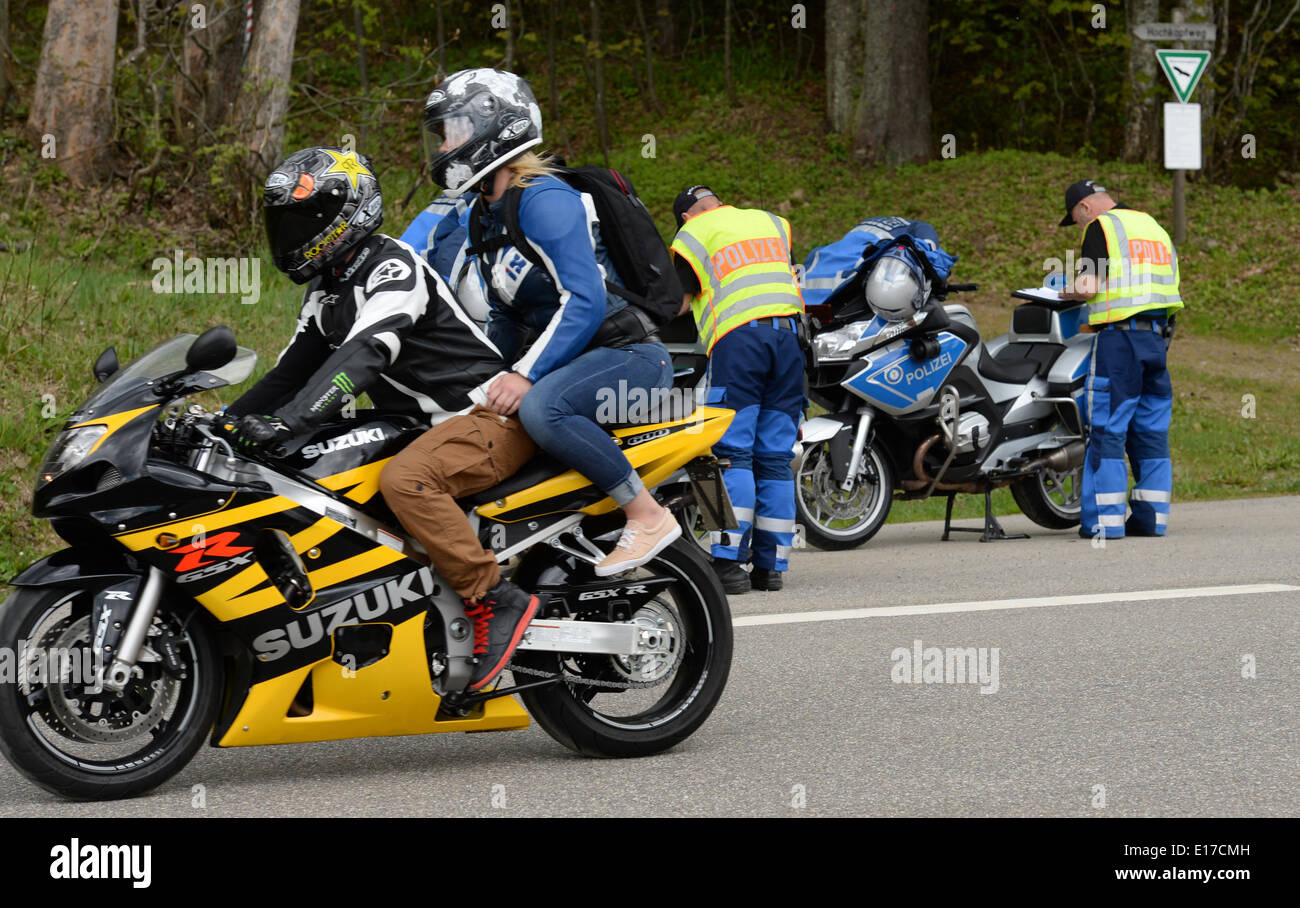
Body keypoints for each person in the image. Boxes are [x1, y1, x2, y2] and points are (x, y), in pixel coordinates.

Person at [224, 145, 540, 693]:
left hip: (485, 417)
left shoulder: (391, 266)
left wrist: (291, 421)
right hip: (431, 429)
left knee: (404, 480)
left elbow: (368, 352)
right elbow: (286, 378)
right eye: (284, 221)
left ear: (344, 219)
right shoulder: (326, 294)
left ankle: (494, 596)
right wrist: (222, 426)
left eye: (303, 220)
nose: (289, 232)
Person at [423, 67, 679, 577]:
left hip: (628, 357)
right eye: (443, 132)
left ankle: (645, 514)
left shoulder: (544, 197)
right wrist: (477, 385)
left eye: (456, 128)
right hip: (576, 362)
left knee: (542, 409)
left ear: (497, 126)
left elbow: (583, 298)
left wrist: (524, 376)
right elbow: (504, 314)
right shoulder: (482, 213)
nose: (445, 144)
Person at [669, 185, 805, 594]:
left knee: (729, 453)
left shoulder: (692, 236)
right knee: (776, 457)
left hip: (739, 342)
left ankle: (727, 565)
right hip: (790, 340)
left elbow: (679, 303)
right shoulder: (770, 223)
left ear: (687, 216)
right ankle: (770, 567)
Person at [1056, 179, 1184, 539]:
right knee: (1151, 431)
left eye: (1076, 220)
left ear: (1084, 208)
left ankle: (1104, 523)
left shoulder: (1103, 226)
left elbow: (1089, 287)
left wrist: (1063, 291)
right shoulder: (1152, 225)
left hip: (1121, 343)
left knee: (1109, 428)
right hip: (1157, 340)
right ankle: (1151, 519)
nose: (1080, 228)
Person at [801, 216, 958, 311]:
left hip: (805, 289)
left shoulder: (874, 224)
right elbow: (931, 257)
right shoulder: (918, 230)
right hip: (845, 282)